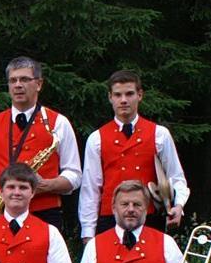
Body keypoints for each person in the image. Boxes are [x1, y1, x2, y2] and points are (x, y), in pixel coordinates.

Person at [0, 56, 82, 229]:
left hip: (43, 212)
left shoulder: (59, 122)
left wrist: (46, 185)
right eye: (13, 80)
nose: (18, 85)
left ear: (39, 84)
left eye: (24, 79)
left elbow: (74, 175)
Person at [78, 69, 188, 242]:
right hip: (109, 219)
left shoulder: (160, 134)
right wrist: (87, 232)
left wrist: (179, 205)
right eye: (118, 95)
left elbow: (176, 176)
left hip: (150, 217)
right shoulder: (96, 138)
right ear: (110, 97)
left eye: (129, 94)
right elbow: (90, 189)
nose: (123, 100)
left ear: (140, 95)